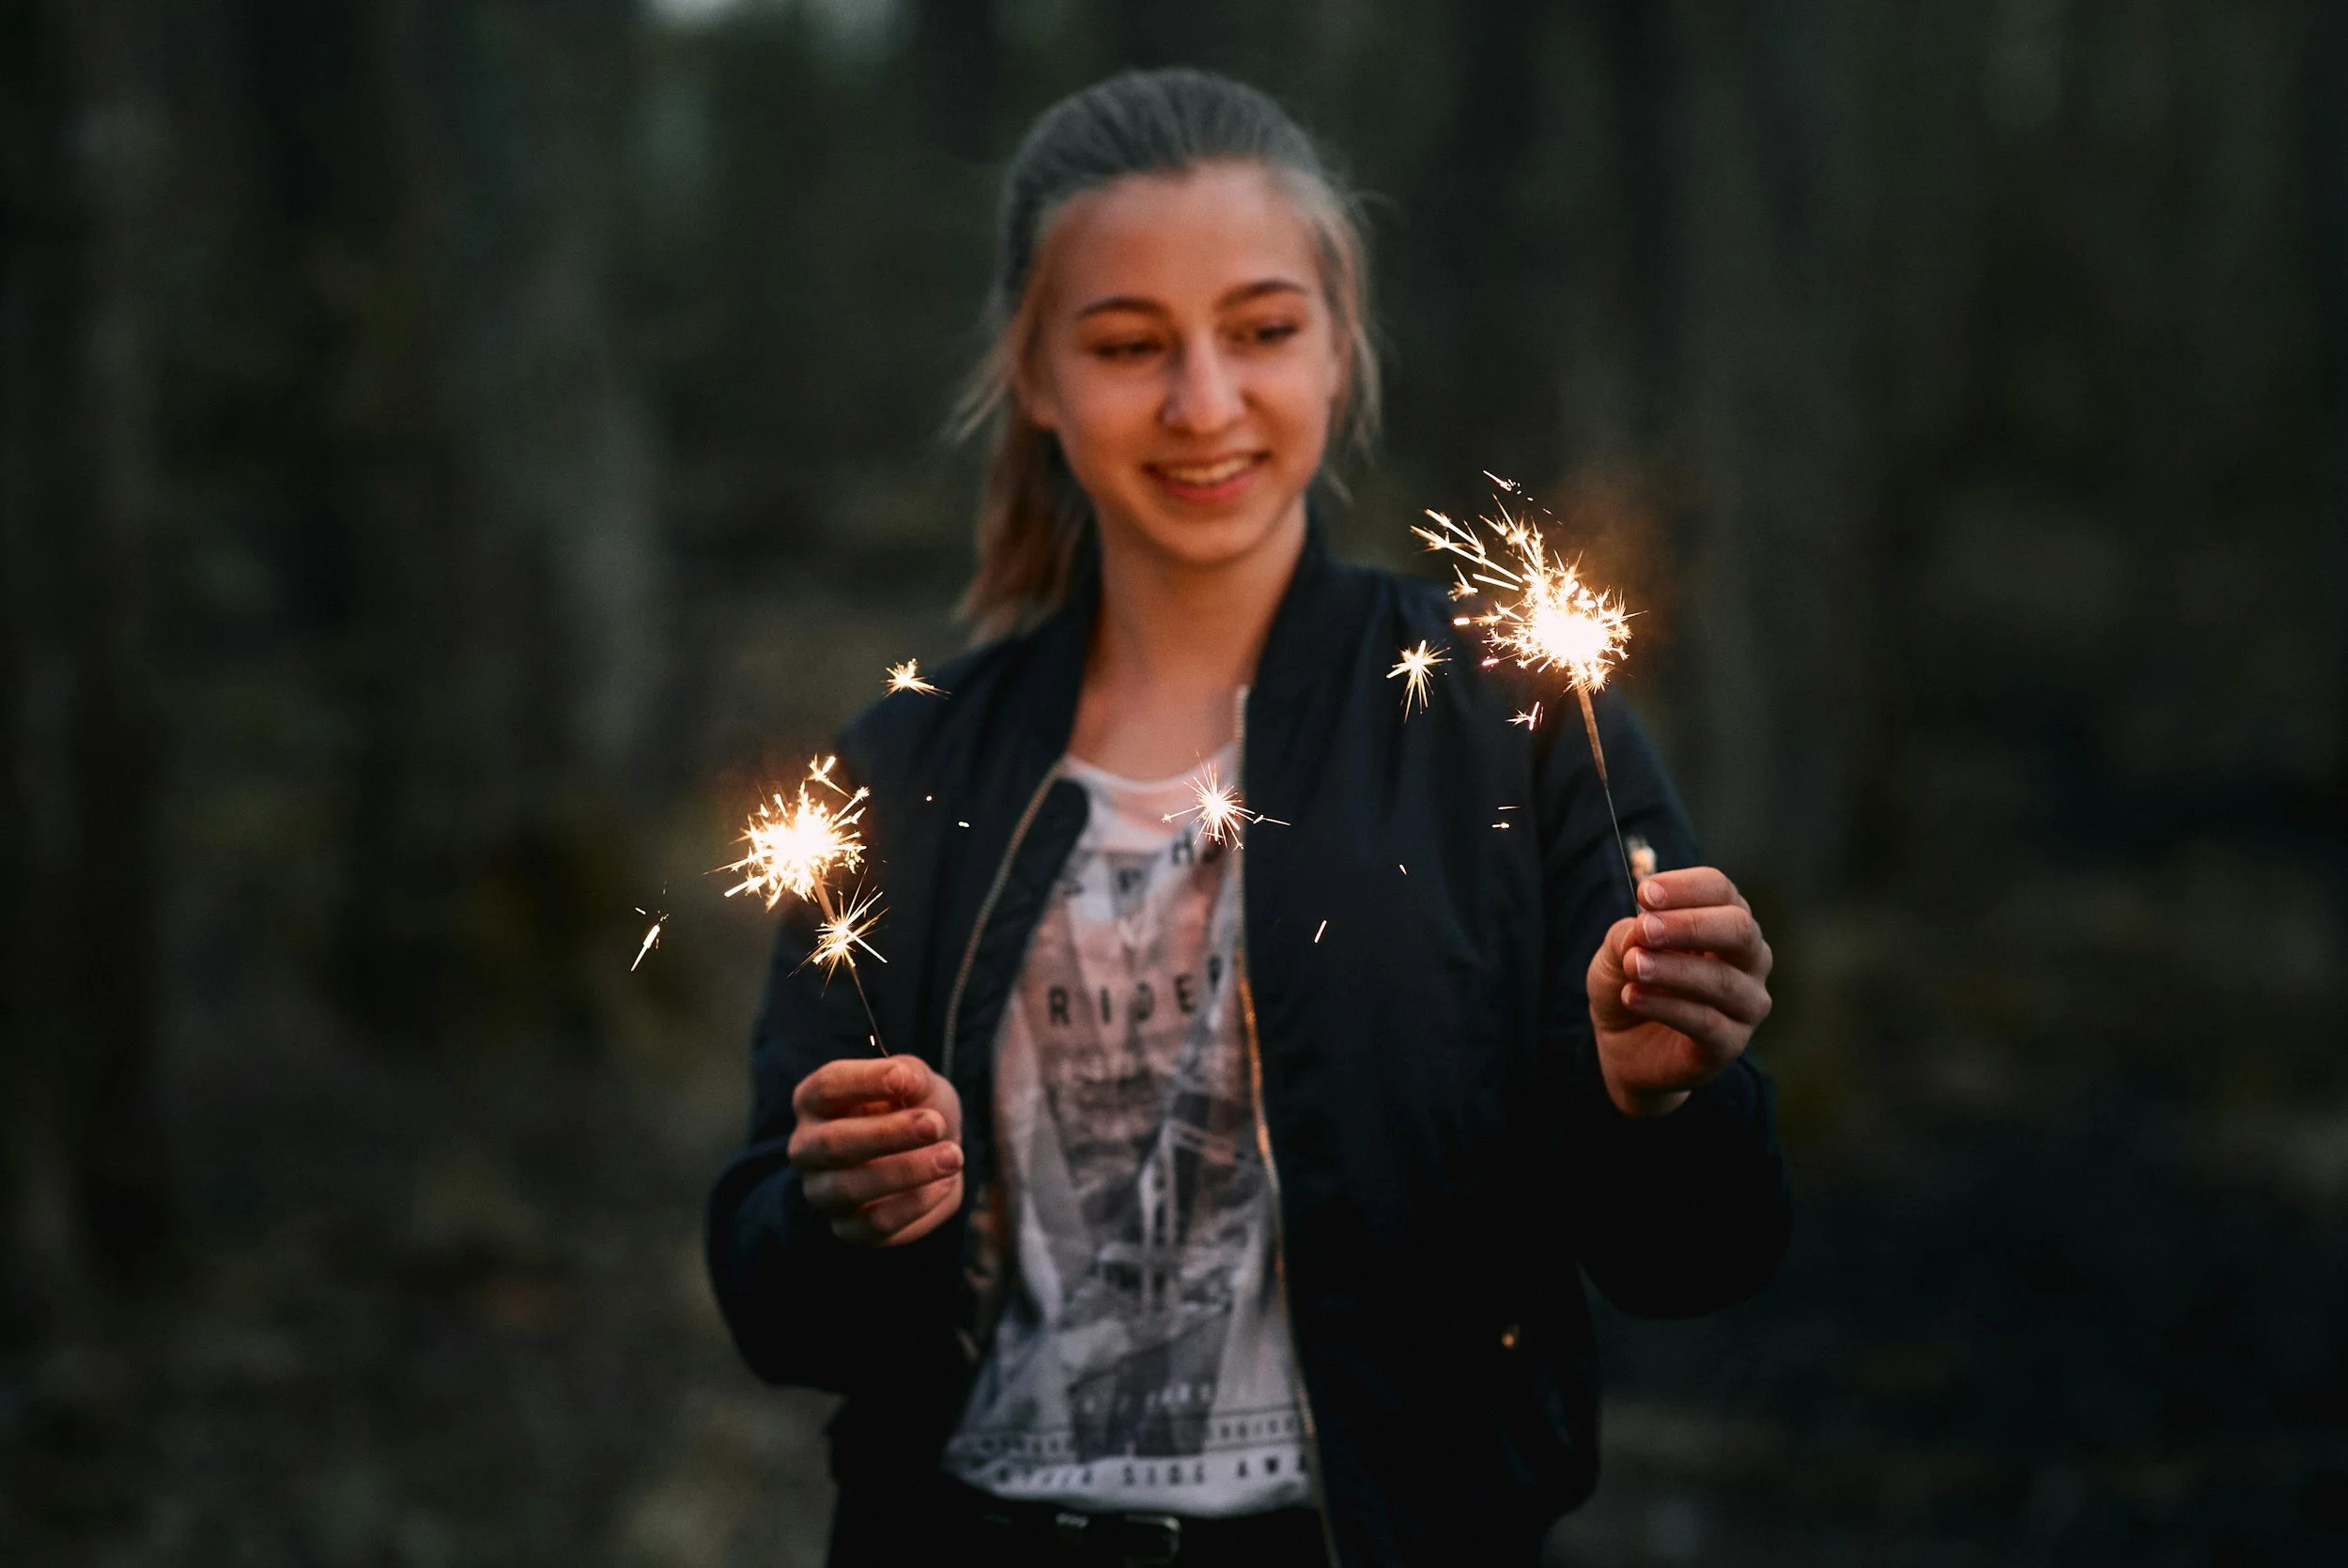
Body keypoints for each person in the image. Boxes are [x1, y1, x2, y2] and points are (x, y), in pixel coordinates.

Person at [706, 68, 1789, 1568]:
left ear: (1342, 347)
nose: (1203, 403)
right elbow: (774, 1304)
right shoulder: (907, 766)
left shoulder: (1510, 724)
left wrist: (1662, 1101)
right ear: (1034, 373)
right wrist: (838, 1209)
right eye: (1129, 343)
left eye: (1263, 330)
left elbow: (1701, 1258)